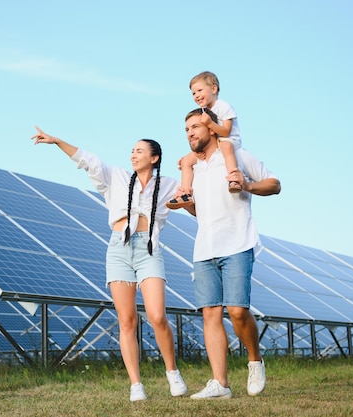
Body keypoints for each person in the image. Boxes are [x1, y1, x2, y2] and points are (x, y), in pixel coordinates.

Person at [31, 126, 187, 402]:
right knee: (126, 320)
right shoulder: (116, 177)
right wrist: (57, 142)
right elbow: (87, 160)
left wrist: (188, 163)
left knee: (156, 315)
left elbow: (194, 182)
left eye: (139, 150)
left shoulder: (169, 185)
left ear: (155, 157)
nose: (133, 155)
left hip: (148, 249)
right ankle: (136, 384)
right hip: (118, 249)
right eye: (131, 151)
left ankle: (172, 371)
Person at [179, 108, 281, 399]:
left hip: (238, 243)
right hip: (204, 249)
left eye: (196, 127)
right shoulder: (193, 169)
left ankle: (254, 360)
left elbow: (275, 184)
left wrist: (247, 184)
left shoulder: (236, 154)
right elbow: (201, 212)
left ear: (212, 128)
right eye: (187, 130)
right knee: (210, 314)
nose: (191, 133)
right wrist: (185, 203)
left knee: (237, 310)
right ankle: (220, 384)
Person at [167, 71, 243, 210]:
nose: (196, 96)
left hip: (229, 141)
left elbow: (226, 131)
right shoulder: (203, 110)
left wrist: (210, 124)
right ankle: (185, 193)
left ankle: (233, 179)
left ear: (213, 89)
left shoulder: (223, 106)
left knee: (226, 147)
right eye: (193, 93)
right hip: (214, 144)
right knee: (186, 161)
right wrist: (197, 152)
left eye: (199, 90)